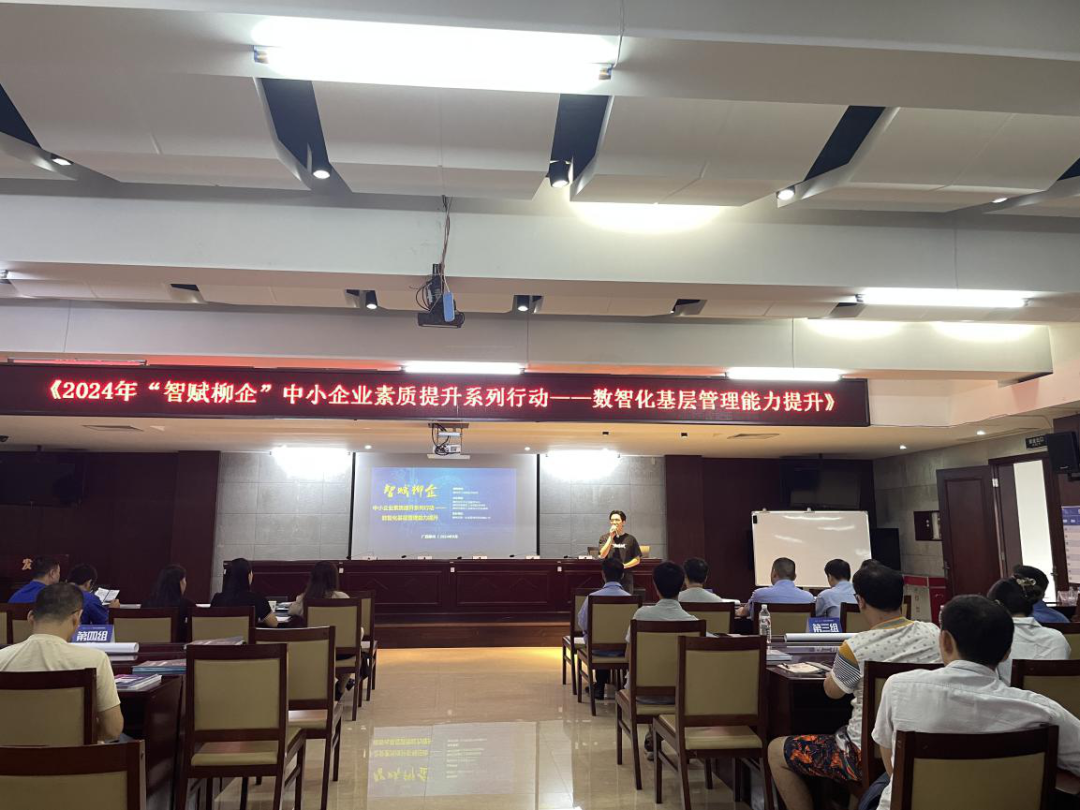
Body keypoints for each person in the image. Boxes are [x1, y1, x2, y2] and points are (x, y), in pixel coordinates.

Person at [863, 595, 1080, 810]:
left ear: (945, 641)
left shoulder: (899, 687)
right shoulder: (1042, 711)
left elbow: (892, 767)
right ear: (1006, 653)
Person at [768, 562, 941, 810]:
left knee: (776, 751)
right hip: (922, 748)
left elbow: (832, 691)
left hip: (862, 755)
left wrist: (833, 671)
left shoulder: (856, 647)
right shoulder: (933, 634)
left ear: (860, 601)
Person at [0, 583, 124, 741]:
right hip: (77, 756)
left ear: (30, 617)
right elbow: (113, 729)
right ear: (76, 618)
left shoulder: (2, 659)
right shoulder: (95, 660)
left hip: (11, 756)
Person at [988, 576, 1070, 682]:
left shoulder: (994, 640)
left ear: (997, 605)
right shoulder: (1057, 638)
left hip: (1009, 693)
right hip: (1057, 693)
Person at [579, 557, 630, 700]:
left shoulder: (592, 598)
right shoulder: (630, 598)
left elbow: (582, 623)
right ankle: (618, 685)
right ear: (622, 575)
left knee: (598, 642)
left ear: (603, 574)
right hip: (623, 650)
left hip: (596, 649)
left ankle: (599, 685)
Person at [210, 558, 278, 627]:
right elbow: (273, 624)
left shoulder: (217, 599)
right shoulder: (257, 599)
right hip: (245, 634)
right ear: (248, 576)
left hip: (222, 634)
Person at [736, 557, 814, 617]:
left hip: (767, 634)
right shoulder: (808, 598)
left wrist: (737, 611)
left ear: (774, 574)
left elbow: (743, 613)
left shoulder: (759, 594)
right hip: (796, 634)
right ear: (794, 576)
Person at [598, 510, 642, 592]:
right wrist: (611, 537)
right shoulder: (604, 538)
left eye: (617, 520)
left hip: (626, 577)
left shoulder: (631, 539)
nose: (614, 522)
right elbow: (602, 555)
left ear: (623, 522)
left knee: (626, 599)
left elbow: (637, 559)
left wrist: (623, 566)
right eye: (612, 520)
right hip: (609, 578)